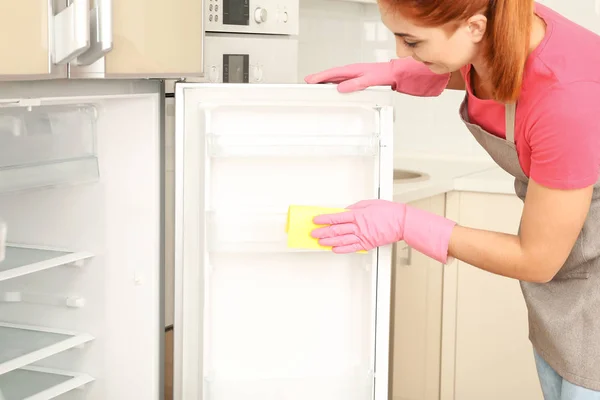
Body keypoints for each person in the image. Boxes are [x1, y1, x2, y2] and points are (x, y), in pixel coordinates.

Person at [305, 1, 600, 399]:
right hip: (570, 280)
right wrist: (397, 74)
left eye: (411, 41)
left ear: (475, 27)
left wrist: (408, 224)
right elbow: (487, 66)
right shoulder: (502, 21)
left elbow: (537, 259)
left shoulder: (567, 95)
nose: (399, 51)